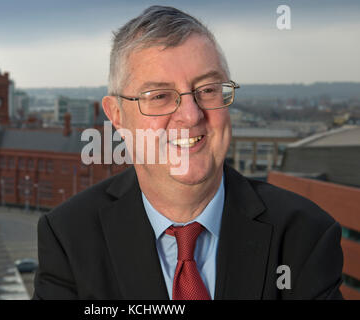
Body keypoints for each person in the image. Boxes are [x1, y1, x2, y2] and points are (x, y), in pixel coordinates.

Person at [32, 5, 343, 300]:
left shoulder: (304, 235)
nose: (192, 115)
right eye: (160, 96)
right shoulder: (69, 236)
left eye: (207, 90)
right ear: (117, 116)